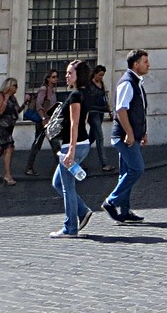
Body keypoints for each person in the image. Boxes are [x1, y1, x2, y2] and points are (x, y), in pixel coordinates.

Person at [49, 59, 101, 238]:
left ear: (79, 76)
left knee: (67, 187)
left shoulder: (75, 95)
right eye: (67, 72)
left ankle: (70, 228)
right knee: (58, 182)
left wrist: (70, 150)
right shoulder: (86, 93)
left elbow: (74, 123)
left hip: (73, 145)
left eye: (70, 73)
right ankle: (83, 211)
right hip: (82, 144)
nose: (66, 76)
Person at [103, 49, 150, 223]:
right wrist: (130, 134)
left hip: (132, 136)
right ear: (135, 64)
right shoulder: (128, 83)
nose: (149, 65)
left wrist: (142, 132)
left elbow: (138, 111)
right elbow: (121, 110)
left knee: (126, 172)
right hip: (123, 137)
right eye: (145, 61)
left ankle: (124, 211)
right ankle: (111, 201)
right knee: (137, 169)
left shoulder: (136, 82)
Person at [25, 69, 61, 176]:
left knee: (54, 144)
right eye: (53, 77)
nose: (56, 79)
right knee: (39, 144)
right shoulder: (43, 89)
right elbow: (39, 106)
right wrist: (43, 119)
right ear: (48, 78)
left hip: (50, 120)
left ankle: (60, 167)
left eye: (56, 77)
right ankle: (29, 168)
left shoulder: (52, 89)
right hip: (44, 122)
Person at [88, 64, 112, 173]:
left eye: (103, 75)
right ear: (95, 74)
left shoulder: (101, 83)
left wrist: (109, 111)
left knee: (91, 139)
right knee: (100, 137)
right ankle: (104, 164)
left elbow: (105, 98)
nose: (101, 77)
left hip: (101, 112)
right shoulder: (89, 85)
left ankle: (76, 157)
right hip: (93, 113)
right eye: (100, 75)